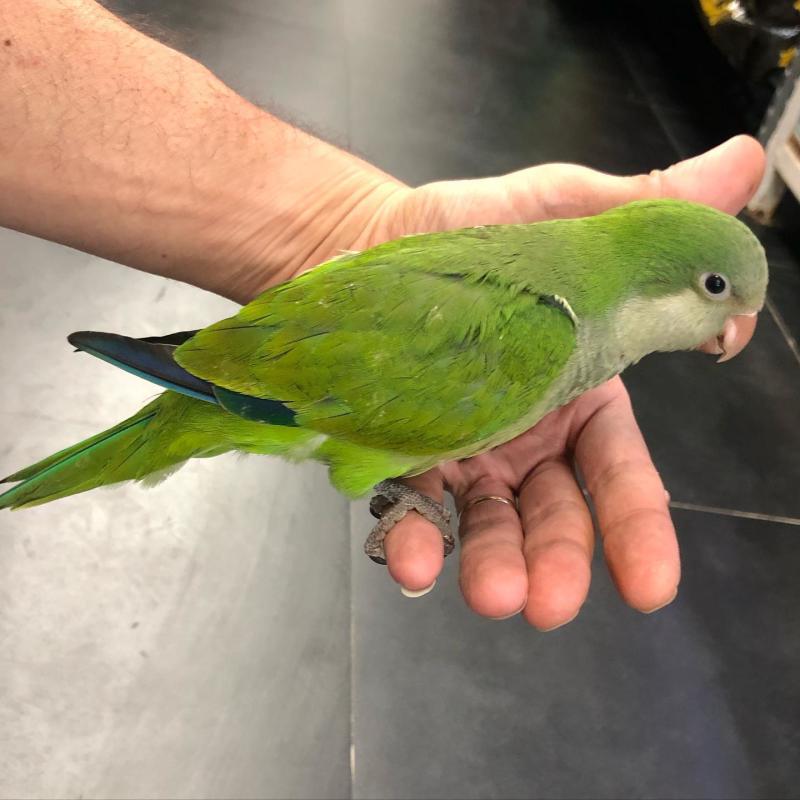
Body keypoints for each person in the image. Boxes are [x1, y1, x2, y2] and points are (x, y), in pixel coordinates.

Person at [0, 0, 766, 630]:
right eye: (716, 289)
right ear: (655, 274)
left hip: (294, 350)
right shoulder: (540, 336)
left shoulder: (548, 257)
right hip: (260, 393)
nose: (734, 328)